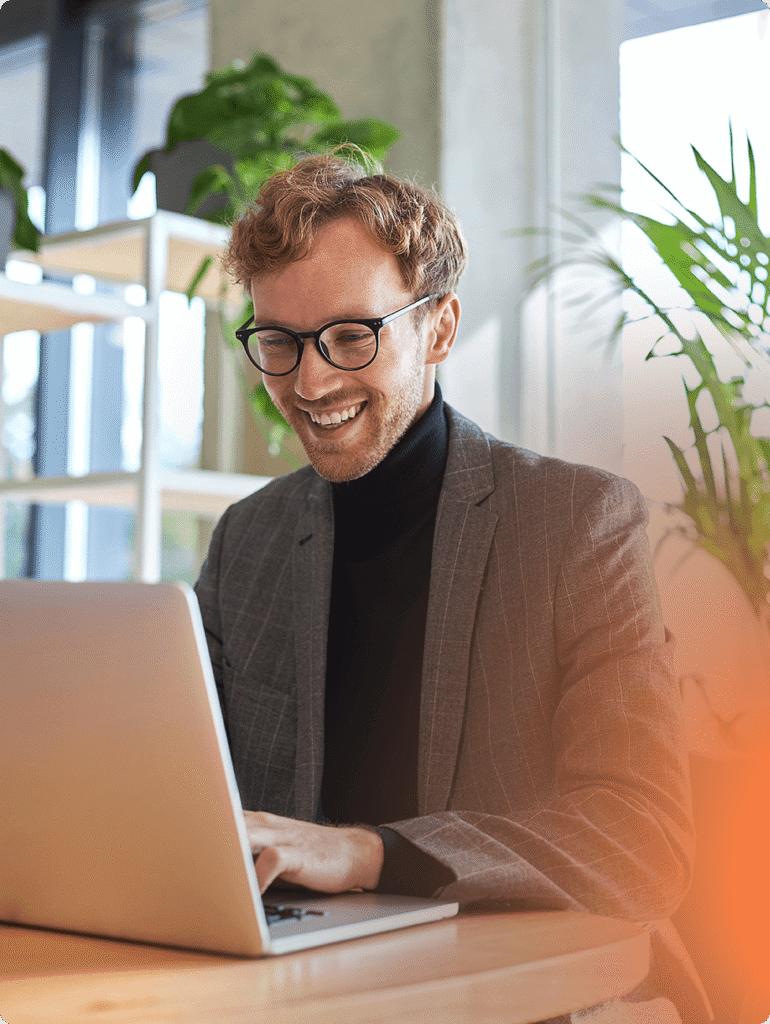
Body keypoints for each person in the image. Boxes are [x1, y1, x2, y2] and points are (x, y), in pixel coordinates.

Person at [194, 152, 707, 1023]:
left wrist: (369, 853)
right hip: (292, 992)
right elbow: (189, 795)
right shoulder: (251, 539)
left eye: (351, 335)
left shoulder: (577, 522)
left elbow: (641, 838)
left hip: (513, 995)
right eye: (279, 341)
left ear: (438, 329)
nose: (310, 382)